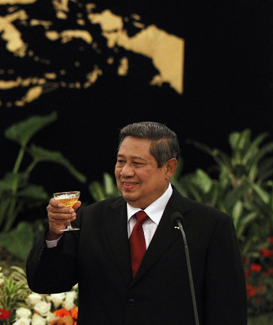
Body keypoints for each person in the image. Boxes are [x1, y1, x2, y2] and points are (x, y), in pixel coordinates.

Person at [26, 121, 247, 324]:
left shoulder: (210, 226)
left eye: (137, 163)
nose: (125, 172)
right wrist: (54, 235)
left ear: (169, 168)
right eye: (121, 161)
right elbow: (45, 283)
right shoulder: (90, 219)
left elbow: (228, 312)